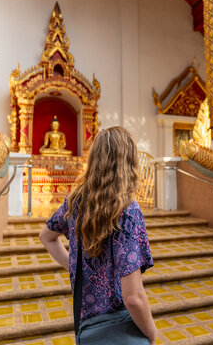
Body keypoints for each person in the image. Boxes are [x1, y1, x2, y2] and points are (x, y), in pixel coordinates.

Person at [39, 126, 157, 345]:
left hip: (88, 327)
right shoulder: (128, 211)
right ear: (127, 161)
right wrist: (151, 333)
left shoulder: (75, 202)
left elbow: (46, 236)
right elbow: (133, 297)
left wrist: (75, 266)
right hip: (119, 326)